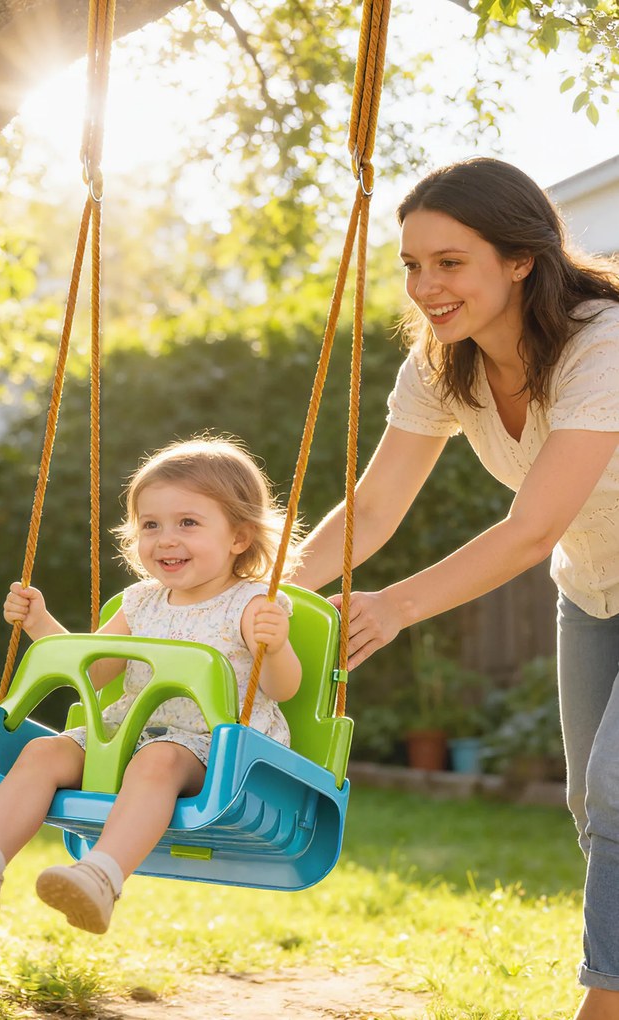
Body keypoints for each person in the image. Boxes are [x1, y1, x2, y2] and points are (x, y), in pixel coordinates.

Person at [288, 158, 619, 1020]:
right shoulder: (444, 366)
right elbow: (373, 504)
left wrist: (395, 606)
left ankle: (606, 1003)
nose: (425, 286)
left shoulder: (603, 344)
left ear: (520, 259)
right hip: (593, 587)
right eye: (412, 265)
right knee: (593, 802)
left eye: (449, 261)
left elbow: (530, 527)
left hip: (567, 555)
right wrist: (266, 588)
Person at [0, 436, 302, 934]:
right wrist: (40, 624)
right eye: (150, 524)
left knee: (157, 760)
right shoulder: (139, 602)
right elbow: (95, 671)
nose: (165, 538)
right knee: (43, 752)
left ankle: (101, 878)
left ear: (239, 538)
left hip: (218, 748)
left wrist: (278, 646)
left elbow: (282, 688)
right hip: (125, 733)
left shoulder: (249, 604)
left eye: (188, 522)